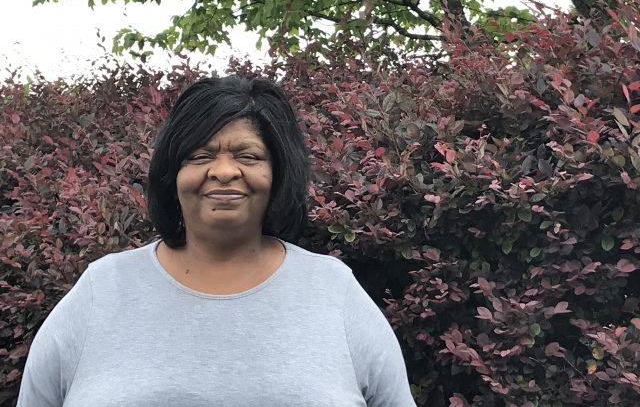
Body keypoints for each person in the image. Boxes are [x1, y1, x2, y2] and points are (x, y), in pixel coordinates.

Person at [17, 76, 416, 406]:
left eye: (248, 156)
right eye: (200, 155)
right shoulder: (102, 290)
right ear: (172, 173)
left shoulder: (332, 291)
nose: (224, 171)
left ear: (278, 173)